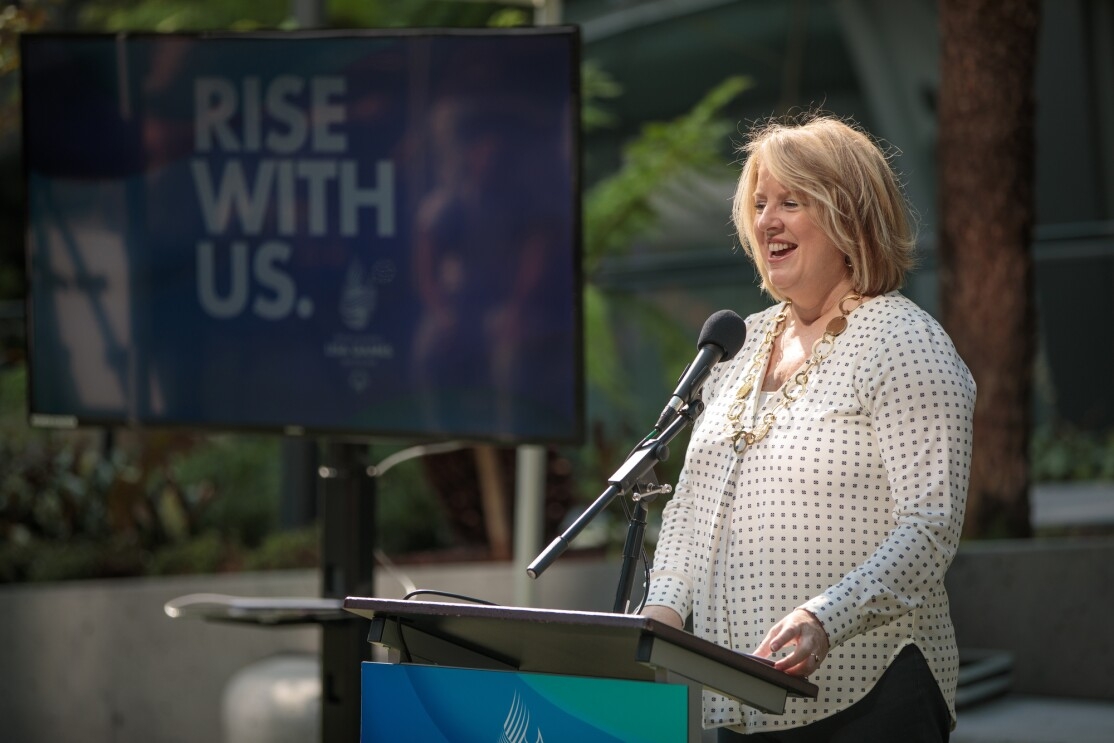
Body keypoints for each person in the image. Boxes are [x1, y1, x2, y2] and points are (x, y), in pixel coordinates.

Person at [641, 113, 976, 742]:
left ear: (849, 215)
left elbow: (930, 527)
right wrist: (657, 620)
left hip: (871, 698)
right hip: (739, 703)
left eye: (791, 202)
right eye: (760, 203)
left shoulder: (904, 342)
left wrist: (827, 617)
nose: (767, 220)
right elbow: (689, 514)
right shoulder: (739, 346)